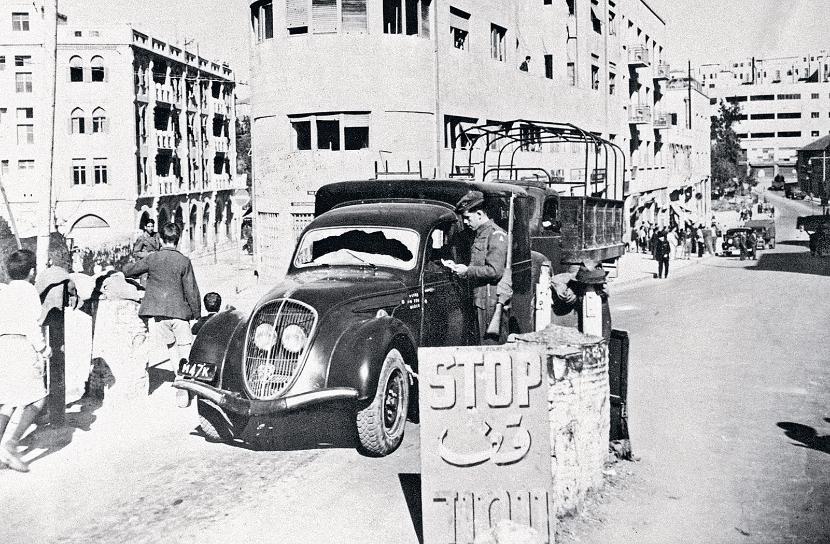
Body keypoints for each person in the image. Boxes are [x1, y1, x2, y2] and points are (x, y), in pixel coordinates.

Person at [124, 222, 201, 375]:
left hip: (159, 314)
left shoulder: (152, 258)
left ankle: (178, 376)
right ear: (178, 239)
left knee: (171, 346)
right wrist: (197, 313)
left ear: (160, 240)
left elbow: (129, 271)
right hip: (180, 313)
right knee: (185, 347)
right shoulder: (184, 261)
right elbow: (191, 290)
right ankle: (185, 378)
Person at [0, 249, 51, 472]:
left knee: (7, 399)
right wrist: (43, 348)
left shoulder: (3, 291)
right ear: (31, 271)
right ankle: (11, 445)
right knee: (37, 398)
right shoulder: (29, 291)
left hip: (2, 346)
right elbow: (31, 324)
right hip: (20, 346)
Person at [445, 191, 508, 345]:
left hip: (489, 301)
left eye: (468, 218)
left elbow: (494, 271)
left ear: (479, 214)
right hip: (479, 298)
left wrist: (467, 271)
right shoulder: (477, 234)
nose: (466, 222)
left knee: (489, 346)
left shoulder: (496, 235)